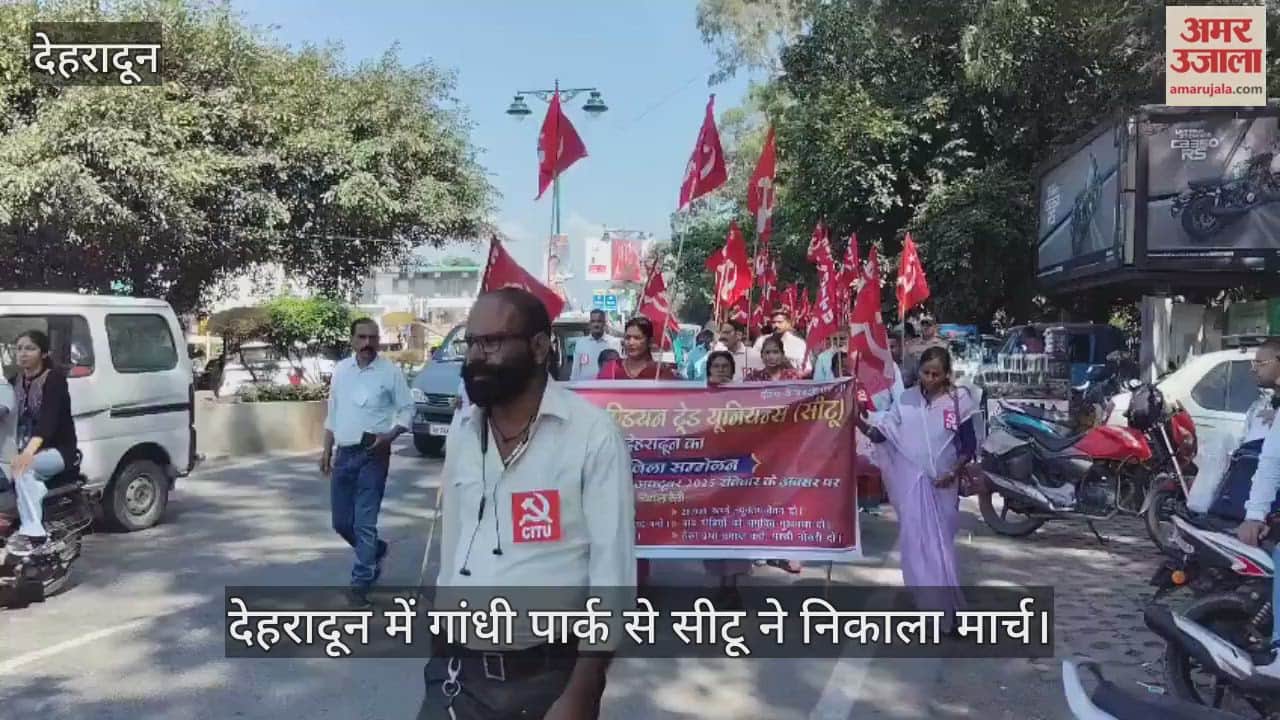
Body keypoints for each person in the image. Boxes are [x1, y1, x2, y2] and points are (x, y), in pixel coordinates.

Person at [419, 288, 635, 720]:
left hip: (546, 679)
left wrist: (583, 689)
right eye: (471, 343)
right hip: (457, 672)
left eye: (492, 342)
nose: (476, 357)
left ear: (539, 347)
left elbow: (613, 573)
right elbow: (455, 545)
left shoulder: (591, 435)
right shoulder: (464, 431)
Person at [854, 346, 980, 631]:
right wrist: (856, 420)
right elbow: (882, 436)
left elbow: (969, 445)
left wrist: (952, 472)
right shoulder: (905, 401)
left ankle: (946, 606)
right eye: (926, 373)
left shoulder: (960, 401)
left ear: (947, 374)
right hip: (912, 484)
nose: (931, 378)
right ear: (919, 371)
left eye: (937, 373)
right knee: (915, 543)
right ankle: (930, 602)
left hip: (944, 485)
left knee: (940, 547)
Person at [321, 318, 414, 606]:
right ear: (351, 340)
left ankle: (361, 582)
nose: (367, 344)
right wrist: (326, 450)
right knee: (341, 522)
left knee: (364, 523)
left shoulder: (390, 372)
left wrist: (389, 436)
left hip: (374, 454)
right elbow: (333, 413)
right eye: (361, 337)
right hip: (344, 454)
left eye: (373, 338)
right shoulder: (341, 371)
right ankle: (375, 550)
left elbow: (407, 409)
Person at [5, 330, 78, 556]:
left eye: (30, 348)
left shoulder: (54, 380)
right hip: (23, 449)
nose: (23, 354)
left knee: (23, 469)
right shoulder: (14, 381)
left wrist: (26, 455)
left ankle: (33, 533)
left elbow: (47, 424)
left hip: (57, 451)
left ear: (44, 353)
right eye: (19, 348)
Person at [701, 350, 752, 606]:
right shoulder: (698, 398)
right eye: (716, 366)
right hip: (709, 474)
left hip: (738, 473)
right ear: (708, 370)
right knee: (713, 530)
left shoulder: (743, 398)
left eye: (725, 366)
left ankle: (732, 586)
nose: (720, 370)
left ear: (732, 370)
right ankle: (721, 584)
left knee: (735, 530)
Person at [597, 316, 677, 380]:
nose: (631, 343)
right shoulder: (612, 369)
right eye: (627, 337)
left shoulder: (661, 372)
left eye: (637, 338)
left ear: (649, 341)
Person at [569, 309, 621, 381]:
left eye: (599, 321)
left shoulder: (614, 342)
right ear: (590, 323)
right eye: (593, 321)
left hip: (607, 387)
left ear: (604, 323)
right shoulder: (581, 343)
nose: (596, 324)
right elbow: (575, 370)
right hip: (585, 388)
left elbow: (618, 368)